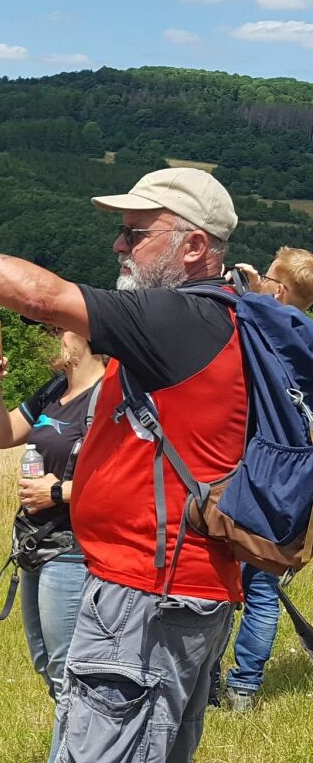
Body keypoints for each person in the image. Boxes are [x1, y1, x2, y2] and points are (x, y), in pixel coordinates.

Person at [0, 166, 246, 763]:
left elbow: (40, 295)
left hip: (146, 598)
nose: (119, 245)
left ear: (193, 247)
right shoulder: (222, 316)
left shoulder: (182, 320)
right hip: (177, 592)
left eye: (136, 233)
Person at [0, 324, 105, 761]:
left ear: (88, 338)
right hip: (36, 544)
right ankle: (85, 746)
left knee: (68, 670)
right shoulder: (54, 390)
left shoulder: (109, 396)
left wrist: (59, 492)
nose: (54, 337)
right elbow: (0, 435)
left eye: (60, 330)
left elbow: (131, 479)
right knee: (46, 665)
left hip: (73, 550)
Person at [211, 246, 313, 712]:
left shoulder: (284, 331)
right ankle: (244, 689)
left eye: (271, 277)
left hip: (253, 475)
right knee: (262, 588)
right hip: (286, 484)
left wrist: (244, 290)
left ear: (282, 289)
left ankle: (214, 680)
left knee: (231, 583)